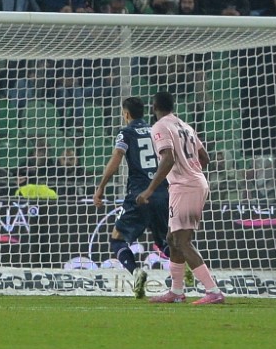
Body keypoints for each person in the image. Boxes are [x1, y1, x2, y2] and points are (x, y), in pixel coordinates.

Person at [136, 91, 223, 305]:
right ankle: (176, 291)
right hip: (192, 183)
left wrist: (149, 190)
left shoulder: (159, 127)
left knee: (182, 241)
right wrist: (191, 171)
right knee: (172, 239)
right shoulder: (185, 126)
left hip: (185, 187)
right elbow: (205, 158)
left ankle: (213, 291)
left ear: (154, 107)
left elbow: (168, 158)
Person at [93, 97, 172, 299]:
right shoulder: (156, 130)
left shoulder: (126, 133)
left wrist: (101, 187)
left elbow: (116, 159)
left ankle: (136, 273)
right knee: (163, 241)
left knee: (116, 239)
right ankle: (186, 266)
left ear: (126, 113)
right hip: (162, 192)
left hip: (138, 193)